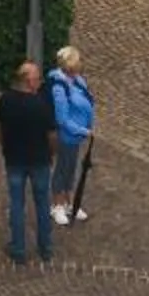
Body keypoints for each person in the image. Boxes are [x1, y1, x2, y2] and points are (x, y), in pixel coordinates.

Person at [0, 58, 57, 265]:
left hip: (14, 160)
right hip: (39, 161)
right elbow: (52, 135)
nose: (40, 82)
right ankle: (45, 248)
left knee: (17, 204)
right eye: (37, 79)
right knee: (42, 203)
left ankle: (18, 248)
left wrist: (4, 144)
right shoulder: (42, 105)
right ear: (28, 81)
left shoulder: (6, 100)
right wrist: (51, 154)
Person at [47, 43, 96, 222]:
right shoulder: (59, 88)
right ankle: (57, 205)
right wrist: (82, 129)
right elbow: (62, 119)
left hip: (75, 137)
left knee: (71, 169)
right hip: (66, 136)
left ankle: (68, 202)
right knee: (62, 169)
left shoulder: (77, 81)